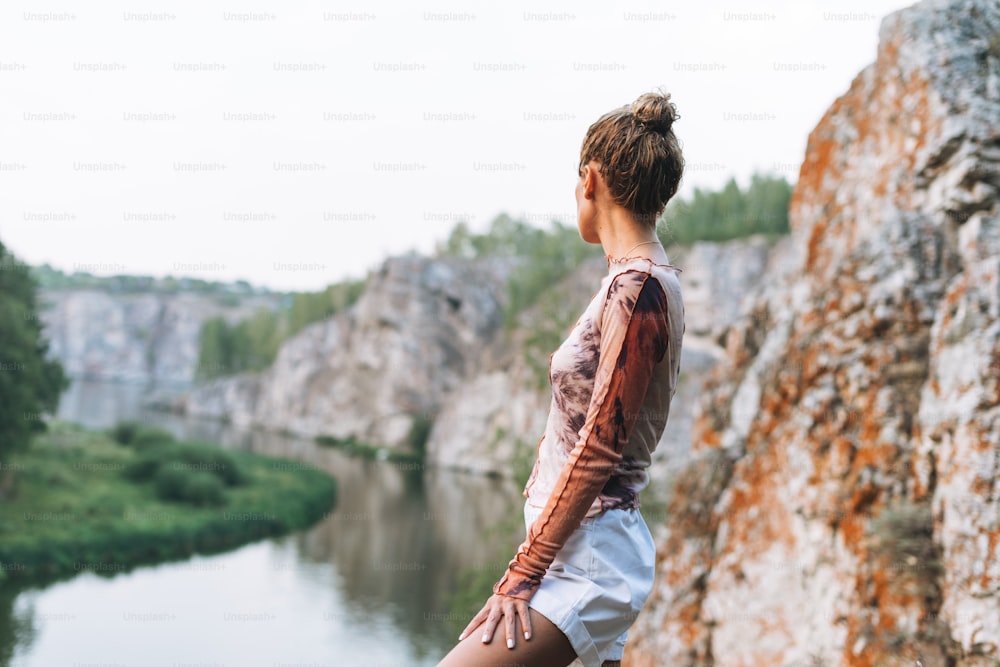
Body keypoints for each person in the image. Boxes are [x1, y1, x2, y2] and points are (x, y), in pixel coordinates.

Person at [435, 89, 686, 667]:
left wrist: (522, 572)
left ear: (591, 179)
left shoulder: (638, 287)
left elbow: (601, 444)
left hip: (587, 561)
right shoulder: (635, 280)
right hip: (578, 549)